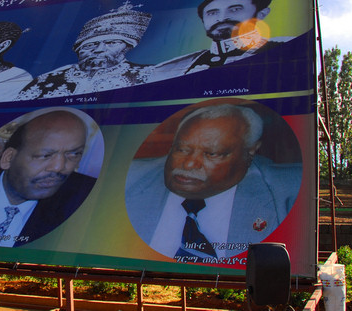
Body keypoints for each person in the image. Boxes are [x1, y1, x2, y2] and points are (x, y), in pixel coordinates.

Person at [124, 104, 301, 263]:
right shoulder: (130, 178)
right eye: (182, 149)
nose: (189, 164)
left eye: (212, 153)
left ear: (251, 150)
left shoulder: (288, 193)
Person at [0, 110, 97, 247]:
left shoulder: (90, 199)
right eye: (45, 155)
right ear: (9, 158)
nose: (59, 167)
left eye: (73, 154)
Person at [149, 0, 291, 81]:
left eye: (235, 9)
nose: (222, 18)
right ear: (203, 20)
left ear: (261, 13)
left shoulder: (289, 49)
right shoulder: (171, 69)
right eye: (212, 13)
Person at [17, 2, 152, 99]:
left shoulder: (149, 74)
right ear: (78, 50)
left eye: (111, 43)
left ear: (127, 47)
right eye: (89, 45)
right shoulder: (46, 79)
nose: (99, 50)